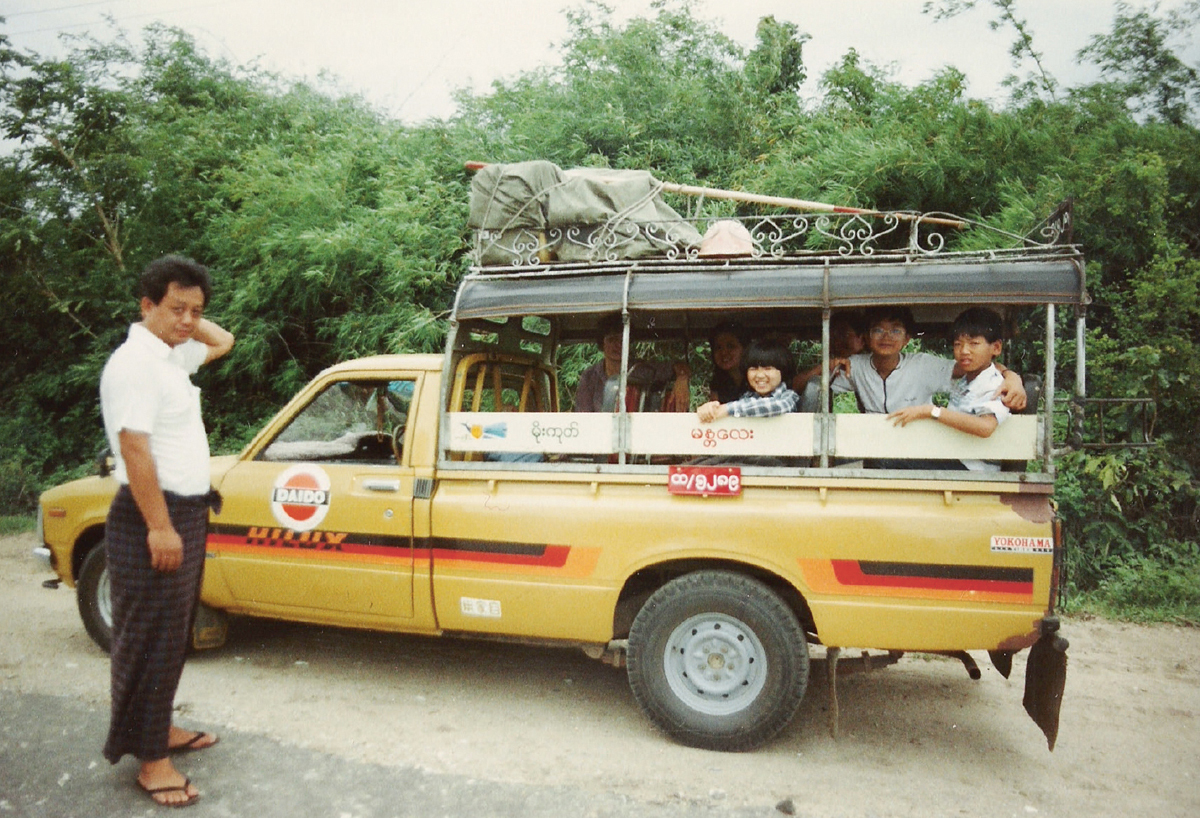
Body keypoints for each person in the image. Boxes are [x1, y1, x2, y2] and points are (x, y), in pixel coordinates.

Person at [99, 255, 234, 808]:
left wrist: (185, 318)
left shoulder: (170, 357)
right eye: (175, 308)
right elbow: (135, 448)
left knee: (173, 635)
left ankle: (157, 731)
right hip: (153, 515)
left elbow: (223, 341)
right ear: (145, 305)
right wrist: (159, 527)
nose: (189, 320)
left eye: (195, 309)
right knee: (150, 638)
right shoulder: (135, 364)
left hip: (182, 512)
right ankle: (151, 761)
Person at [829, 305, 1026, 414]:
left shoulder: (922, 365)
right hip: (875, 447)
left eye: (895, 330)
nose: (886, 337)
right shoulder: (856, 366)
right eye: (878, 330)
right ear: (867, 336)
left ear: (907, 339)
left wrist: (1011, 377)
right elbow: (799, 384)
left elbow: (976, 366)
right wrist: (825, 366)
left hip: (918, 449)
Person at [887, 307, 1011, 471]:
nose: (964, 351)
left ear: (996, 348)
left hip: (973, 468)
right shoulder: (965, 380)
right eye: (958, 344)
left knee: (884, 462)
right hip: (953, 457)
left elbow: (986, 427)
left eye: (974, 344)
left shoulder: (993, 384)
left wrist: (932, 411)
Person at [574, 313, 691, 413]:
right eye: (612, 340)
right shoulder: (589, 376)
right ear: (601, 343)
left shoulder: (641, 369)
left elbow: (680, 367)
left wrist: (682, 378)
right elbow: (583, 416)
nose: (618, 345)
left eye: (623, 340)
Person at [696, 338, 799, 422]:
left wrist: (727, 409)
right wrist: (711, 410)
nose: (760, 375)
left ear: (783, 371)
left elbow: (773, 406)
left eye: (768, 368)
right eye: (753, 369)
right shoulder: (747, 397)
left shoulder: (789, 396)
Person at [792, 312, 866, 412]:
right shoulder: (836, 367)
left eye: (843, 333)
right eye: (831, 334)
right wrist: (823, 367)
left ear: (861, 339)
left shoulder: (870, 365)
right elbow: (796, 386)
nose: (836, 339)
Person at [706, 323, 750, 403]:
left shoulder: (757, 377)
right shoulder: (718, 383)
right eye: (718, 347)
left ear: (744, 349)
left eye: (731, 346)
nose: (723, 352)